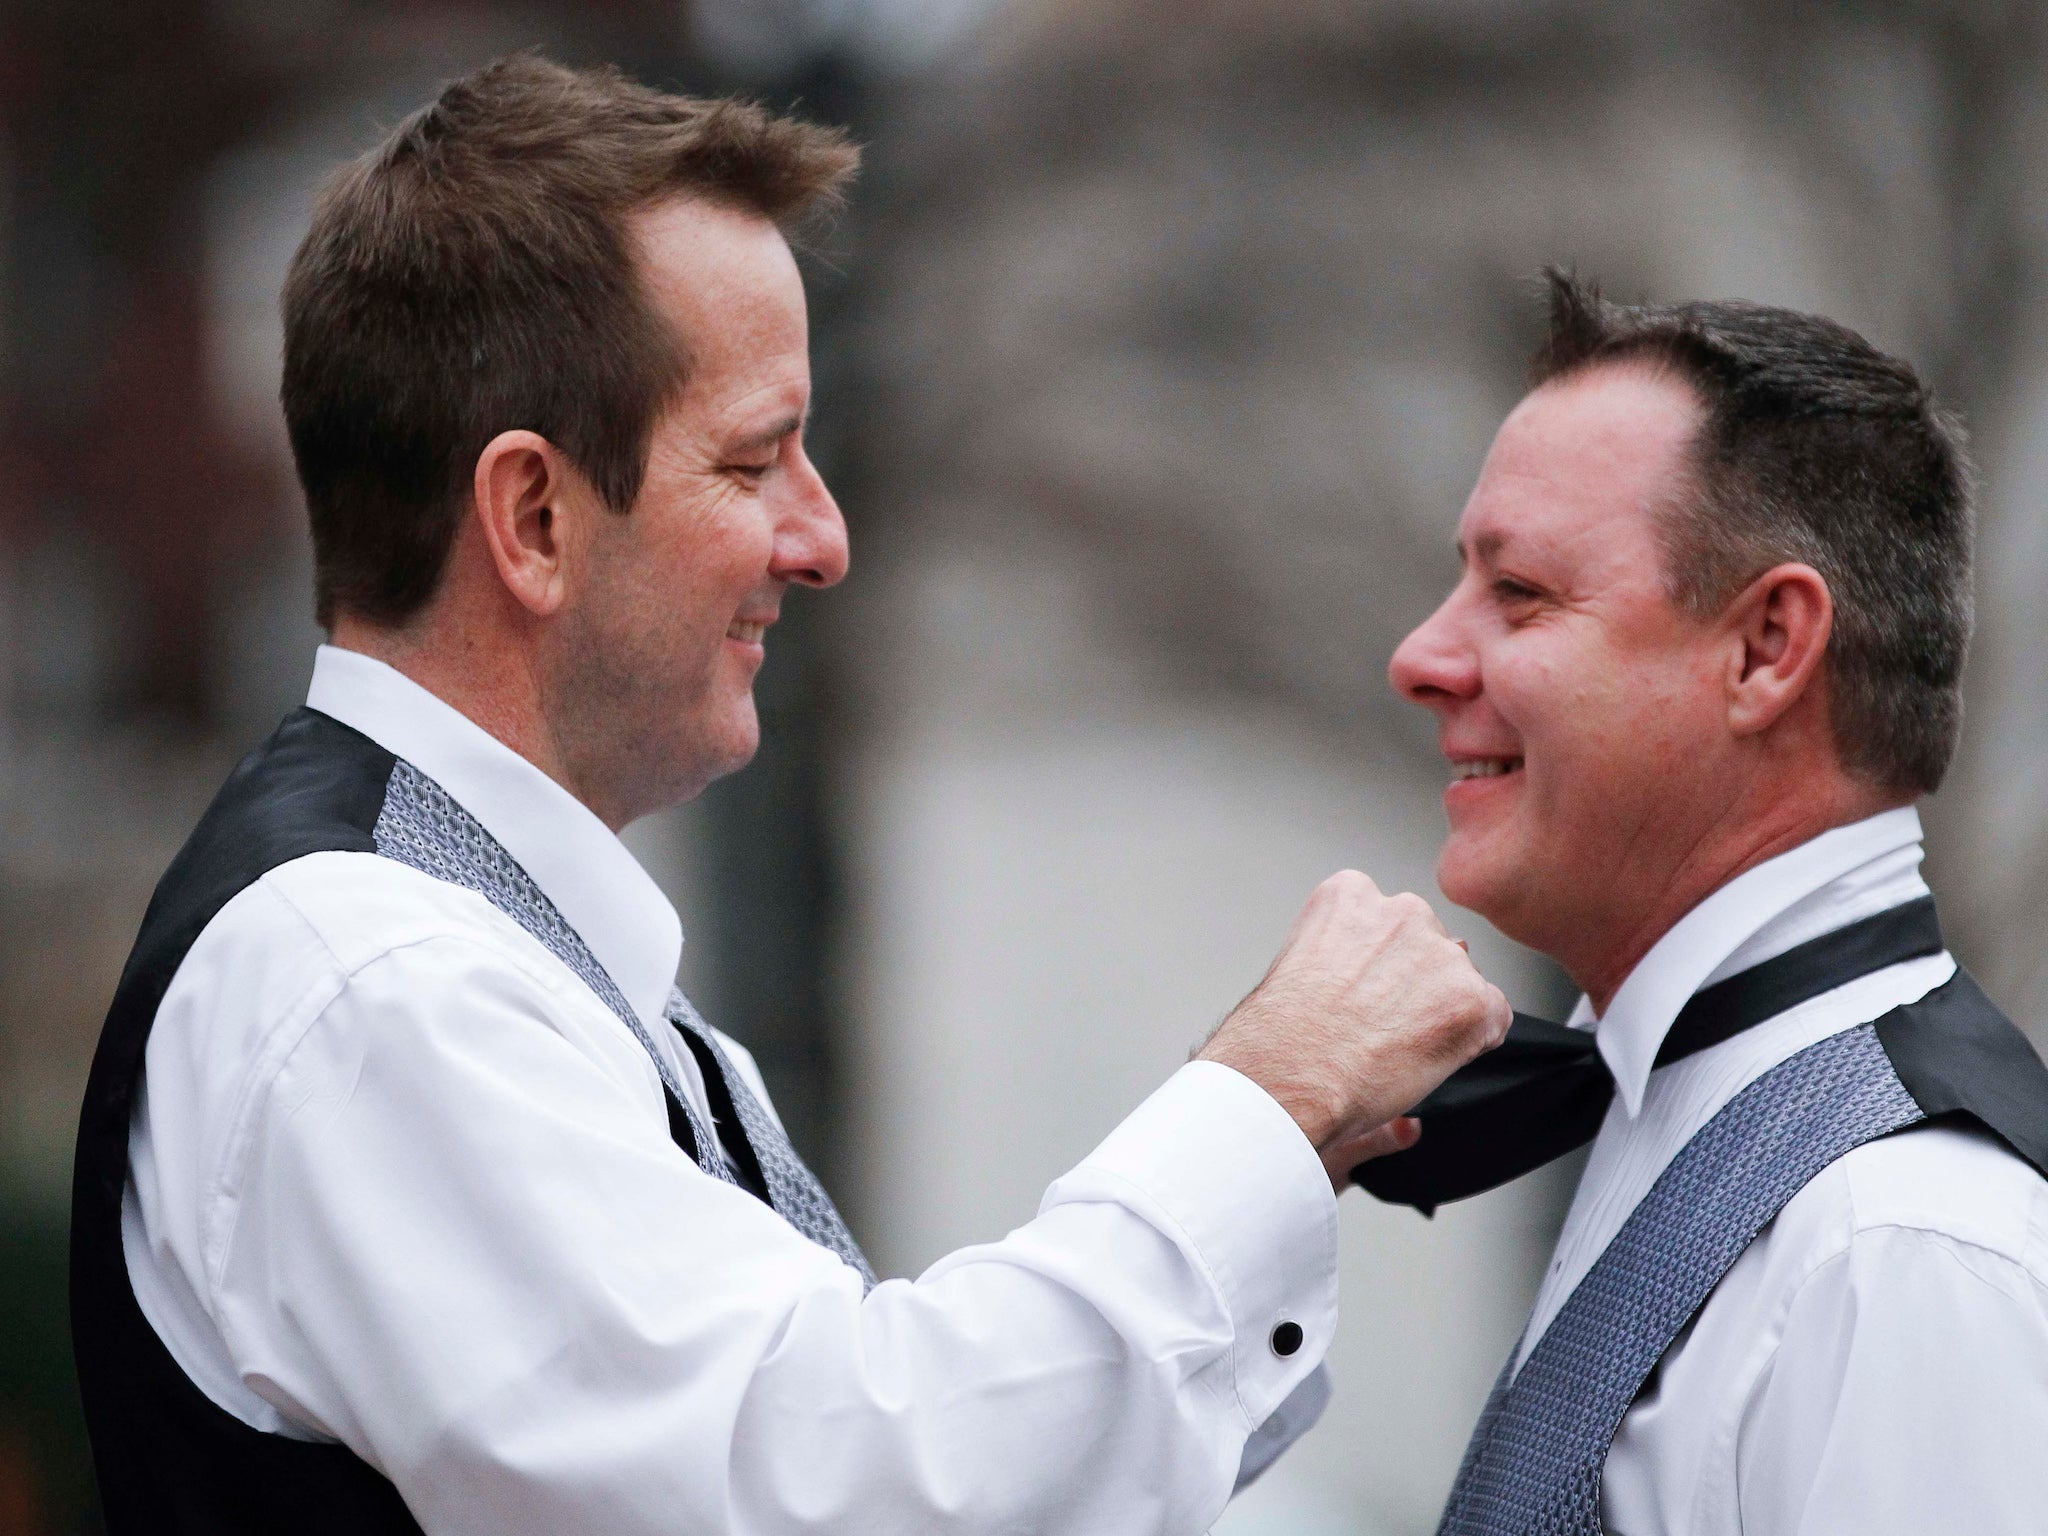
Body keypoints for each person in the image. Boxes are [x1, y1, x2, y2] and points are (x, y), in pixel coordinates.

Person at [68, 55, 1510, 1536]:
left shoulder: (460, 954)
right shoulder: (378, 985)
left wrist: (1291, 1138)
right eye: (756, 458)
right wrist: (1269, 1101)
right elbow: (845, 1487)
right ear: (533, 517)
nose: (821, 538)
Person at [1369, 272, 2048, 1534]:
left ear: (1764, 650)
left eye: (1517, 592)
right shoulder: (1734, 1134)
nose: (1420, 657)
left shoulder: (1896, 1246)